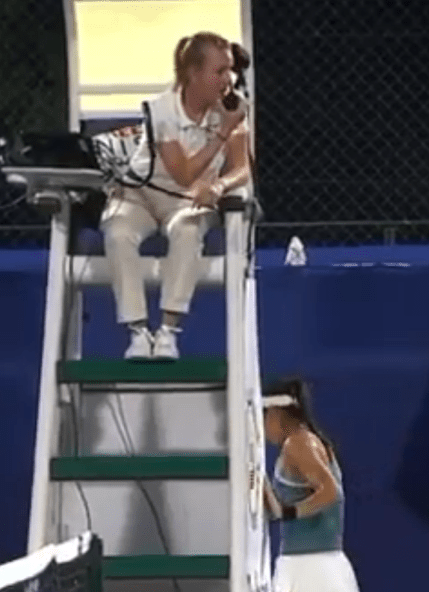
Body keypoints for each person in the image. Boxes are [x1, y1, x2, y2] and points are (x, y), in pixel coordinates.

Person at [100, 32, 251, 360]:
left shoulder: (232, 108)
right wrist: (223, 131)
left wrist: (220, 186)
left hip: (188, 201)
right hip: (141, 194)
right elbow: (183, 171)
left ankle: (168, 332)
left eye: (230, 70)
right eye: (219, 71)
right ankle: (138, 332)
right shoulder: (161, 109)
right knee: (118, 229)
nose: (229, 79)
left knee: (187, 230)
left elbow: (243, 168)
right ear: (194, 74)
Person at [261, 378, 361, 592]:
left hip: (313, 569)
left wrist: (290, 512)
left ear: (277, 413)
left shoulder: (298, 444)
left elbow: (331, 492)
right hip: (305, 565)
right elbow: (279, 511)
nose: (263, 426)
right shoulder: (299, 444)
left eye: (264, 416)